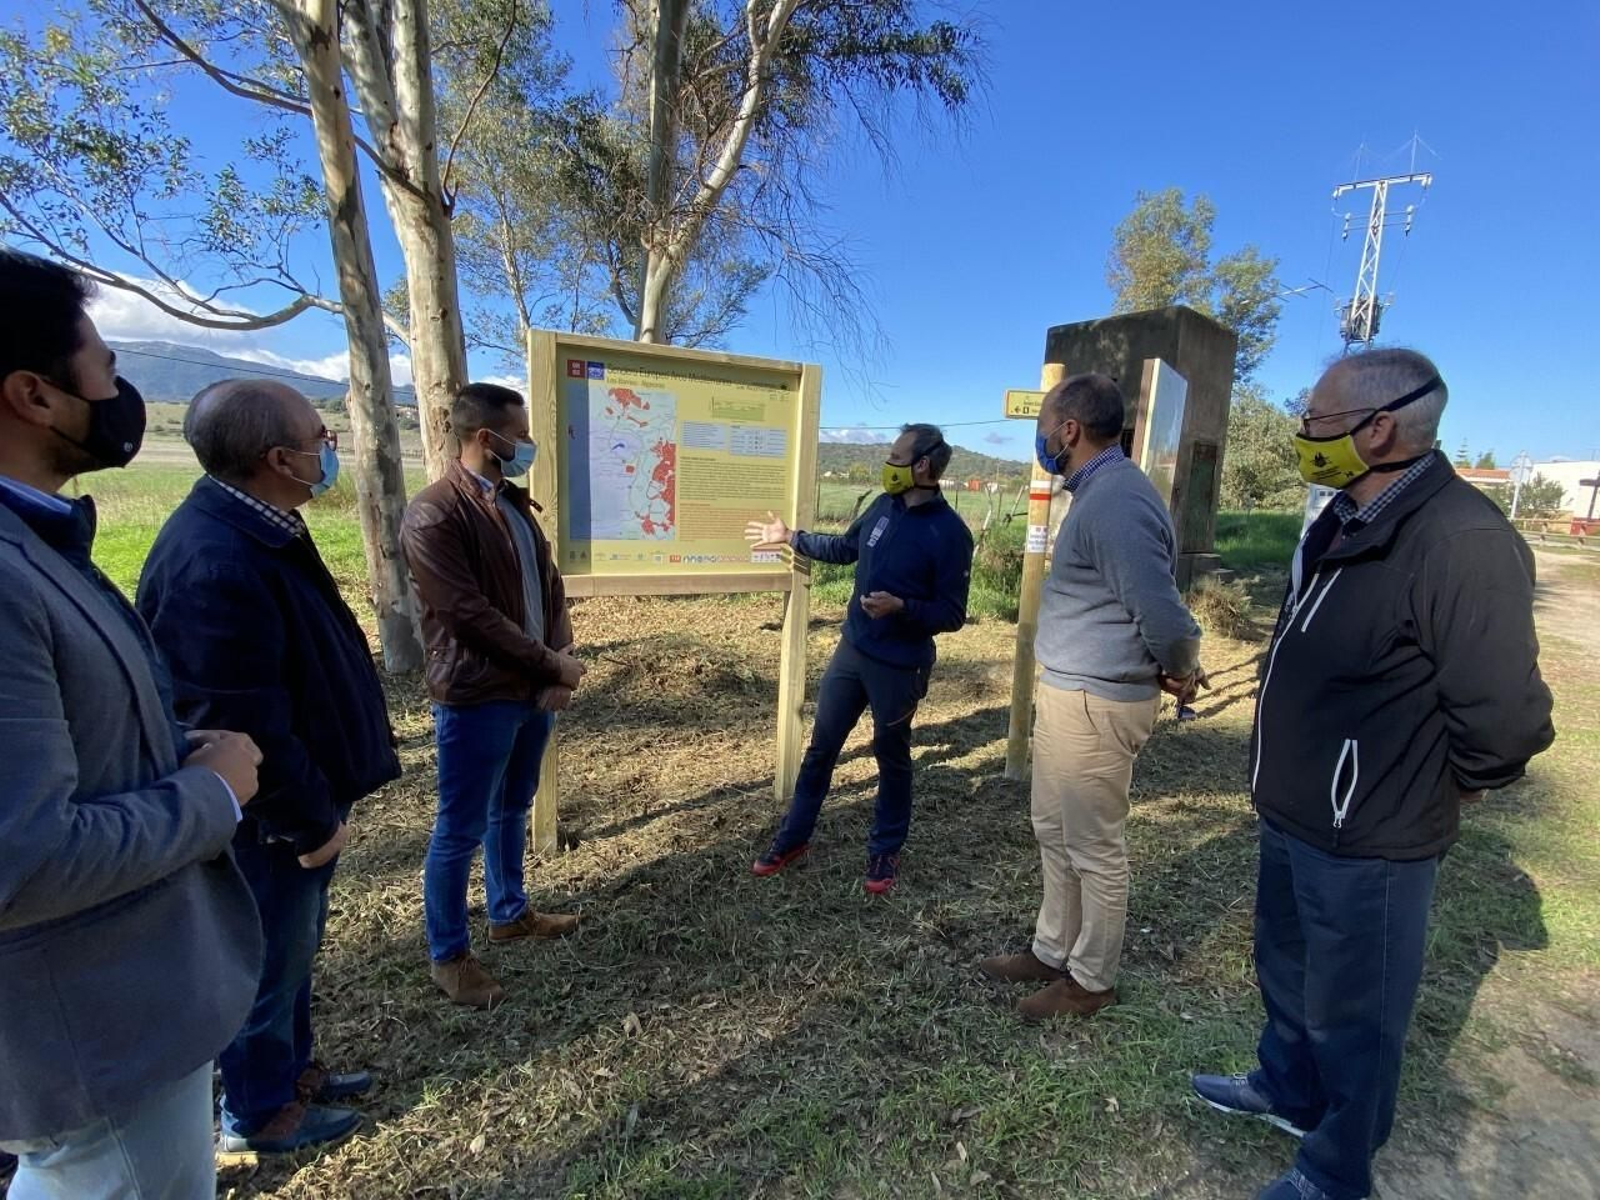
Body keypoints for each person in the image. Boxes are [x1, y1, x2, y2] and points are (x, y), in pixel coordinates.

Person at [1190, 349, 1554, 1200]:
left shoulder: (1461, 538)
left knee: (1358, 1016)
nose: (1303, 434)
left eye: (1314, 421)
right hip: (1296, 813)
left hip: (1372, 836)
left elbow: (1505, 716)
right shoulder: (1342, 520)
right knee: (1286, 971)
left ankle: (1334, 1170)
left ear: (1377, 428)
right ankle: (1285, 1089)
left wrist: (1447, 782)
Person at [0, 249, 264, 1197]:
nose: (119, 391)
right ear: (34, 395)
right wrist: (210, 792)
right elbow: (22, 856)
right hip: (92, 1036)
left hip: (118, 1018)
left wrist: (162, 754)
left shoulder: (36, 542)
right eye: (105, 367)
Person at [137, 380, 401, 1155]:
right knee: (264, 964)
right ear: (279, 458)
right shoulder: (214, 561)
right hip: (271, 822)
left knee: (293, 954)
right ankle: (256, 1110)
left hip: (302, 802)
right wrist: (308, 821)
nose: (331, 448)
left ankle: (290, 1073)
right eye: (321, 436)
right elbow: (239, 719)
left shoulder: (260, 526)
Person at [980, 374, 1202, 1020]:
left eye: (1045, 427)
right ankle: (1053, 950)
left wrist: (1180, 667)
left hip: (1096, 707)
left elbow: (1162, 612)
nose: (1042, 439)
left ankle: (1091, 979)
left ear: (1069, 430)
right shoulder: (1099, 493)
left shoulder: (1117, 503)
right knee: (1055, 829)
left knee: (1094, 847)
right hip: (1072, 696)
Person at [402, 383, 584, 1010]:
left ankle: (510, 912)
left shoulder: (512, 503)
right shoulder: (434, 514)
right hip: (478, 696)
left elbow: (549, 586)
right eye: (521, 433)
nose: (528, 444)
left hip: (532, 687)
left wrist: (556, 664)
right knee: (459, 827)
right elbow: (467, 614)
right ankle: (448, 956)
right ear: (486, 438)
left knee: (513, 805)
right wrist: (550, 664)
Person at [745, 423, 974, 894]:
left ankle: (884, 852)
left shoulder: (950, 533)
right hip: (852, 653)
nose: (888, 465)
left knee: (891, 758)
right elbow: (846, 548)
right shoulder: (882, 507)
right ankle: (793, 838)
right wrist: (792, 536)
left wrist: (903, 608)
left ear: (923, 466)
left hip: (900, 667)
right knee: (821, 749)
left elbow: (953, 615)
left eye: (896, 457)